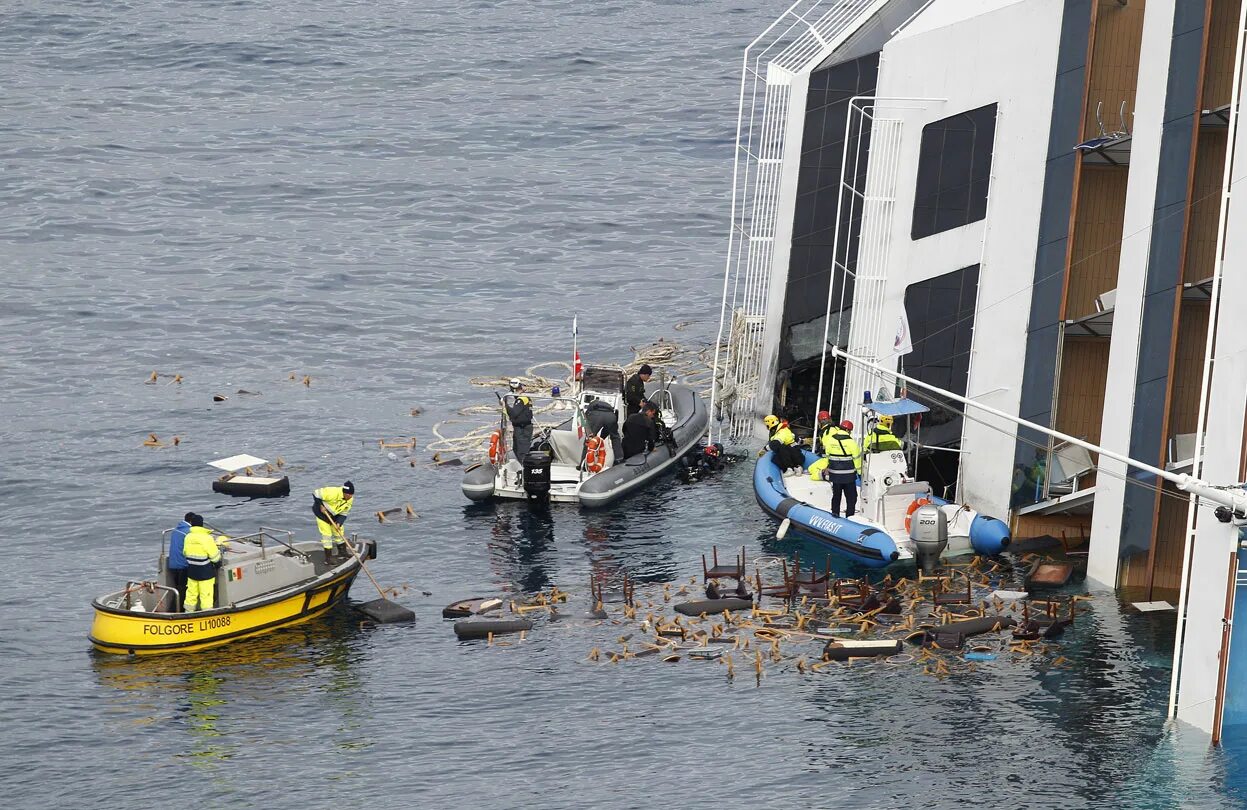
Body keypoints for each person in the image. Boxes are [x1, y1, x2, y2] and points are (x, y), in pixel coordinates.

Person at [809, 420, 862, 517]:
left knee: (836, 496)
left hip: (835, 475)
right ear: (847, 430)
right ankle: (849, 517)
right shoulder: (851, 443)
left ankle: (835, 515)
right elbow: (857, 461)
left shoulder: (830, 441)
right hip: (848, 476)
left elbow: (828, 456)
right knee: (851, 498)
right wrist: (859, 473)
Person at [183, 514, 225, 612]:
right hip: (205, 572)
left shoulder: (188, 537)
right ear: (202, 525)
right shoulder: (207, 538)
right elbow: (215, 557)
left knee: (191, 594)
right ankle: (207, 614)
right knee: (206, 595)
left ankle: (188, 613)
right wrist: (219, 558)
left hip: (192, 571)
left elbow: (184, 552)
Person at [313, 481, 355, 563]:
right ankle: (328, 558)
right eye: (349, 495)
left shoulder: (350, 499)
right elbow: (315, 493)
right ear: (344, 493)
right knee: (327, 535)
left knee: (339, 532)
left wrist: (339, 523)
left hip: (335, 515)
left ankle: (342, 552)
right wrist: (321, 506)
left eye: (351, 495)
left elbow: (344, 513)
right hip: (322, 515)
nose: (350, 497)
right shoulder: (332, 492)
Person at [583, 395, 622, 463]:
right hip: (611, 416)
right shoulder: (607, 405)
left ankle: (584, 463)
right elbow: (607, 429)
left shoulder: (591, 405)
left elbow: (586, 420)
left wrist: (592, 436)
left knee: (589, 438)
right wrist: (602, 437)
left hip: (596, 415)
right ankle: (619, 458)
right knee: (615, 437)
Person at [167, 512, 194, 610]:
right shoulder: (189, 532)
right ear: (191, 521)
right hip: (183, 565)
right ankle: (174, 610)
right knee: (183, 589)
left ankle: (176, 609)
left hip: (173, 564)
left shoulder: (176, 530)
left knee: (178, 587)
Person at [505, 379, 534, 459]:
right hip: (524, 426)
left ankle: (523, 467)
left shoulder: (521, 399)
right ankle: (522, 465)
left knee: (521, 451)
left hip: (522, 428)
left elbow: (514, 413)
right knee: (518, 449)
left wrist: (505, 405)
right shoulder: (526, 398)